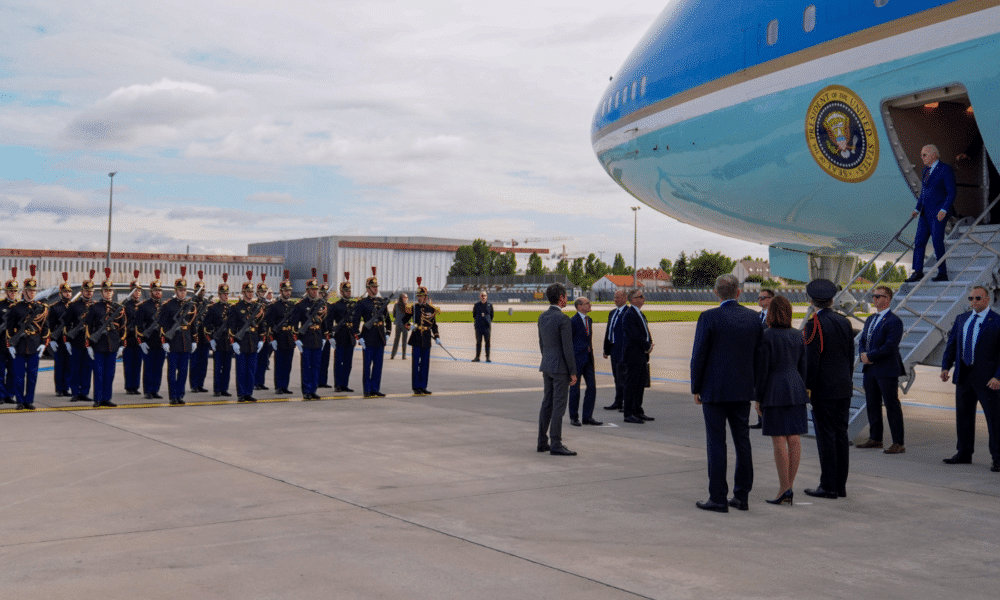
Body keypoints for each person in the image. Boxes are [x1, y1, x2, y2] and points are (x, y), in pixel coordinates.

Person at [691, 274, 762, 512]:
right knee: (742, 441)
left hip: (715, 389)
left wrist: (696, 387)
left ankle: (718, 497)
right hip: (743, 390)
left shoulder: (709, 317)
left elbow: (699, 355)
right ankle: (742, 495)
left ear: (716, 293)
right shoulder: (753, 318)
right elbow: (759, 356)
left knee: (716, 442)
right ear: (739, 292)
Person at [802, 278, 855, 500]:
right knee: (841, 435)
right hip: (843, 386)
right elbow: (850, 356)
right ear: (832, 300)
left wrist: (807, 387)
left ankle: (828, 486)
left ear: (811, 301)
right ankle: (840, 485)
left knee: (826, 437)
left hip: (824, 389)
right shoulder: (844, 322)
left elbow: (812, 361)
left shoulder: (813, 324)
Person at [753, 295, 808, 505]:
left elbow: (762, 370)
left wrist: (758, 397)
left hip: (774, 390)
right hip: (796, 388)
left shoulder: (766, 336)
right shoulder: (798, 335)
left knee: (778, 440)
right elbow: (803, 366)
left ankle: (784, 488)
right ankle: (789, 486)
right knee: (794, 438)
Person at [940, 285, 1000, 472]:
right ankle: (964, 453)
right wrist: (945, 366)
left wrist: (998, 376)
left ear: (987, 300)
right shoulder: (962, 319)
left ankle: (998, 458)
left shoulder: (997, 321)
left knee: (994, 419)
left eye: (978, 298)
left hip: (987, 379)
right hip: (964, 376)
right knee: (963, 417)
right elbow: (951, 345)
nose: (974, 301)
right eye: (971, 298)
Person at [857, 286, 907, 454]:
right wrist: (863, 354)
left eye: (879, 296)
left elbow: (890, 346)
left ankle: (898, 442)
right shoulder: (871, 319)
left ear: (888, 299)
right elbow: (863, 340)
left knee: (891, 405)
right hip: (870, 369)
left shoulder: (894, 321)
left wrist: (870, 356)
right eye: (874, 296)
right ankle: (875, 438)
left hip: (886, 368)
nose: (875, 299)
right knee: (872, 403)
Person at [536, 283, 578, 456]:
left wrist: (548, 360)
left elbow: (542, 343)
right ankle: (556, 443)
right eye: (566, 296)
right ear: (561, 298)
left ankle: (542, 441)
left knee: (547, 403)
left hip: (547, 365)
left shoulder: (542, 317)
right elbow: (568, 348)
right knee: (559, 406)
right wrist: (573, 371)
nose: (567, 299)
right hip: (560, 368)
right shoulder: (563, 319)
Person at [907, 144, 957, 283]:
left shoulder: (945, 169)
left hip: (938, 212)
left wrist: (944, 209)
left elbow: (952, 192)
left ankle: (942, 272)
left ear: (934, 155)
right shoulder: (926, 170)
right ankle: (917, 271)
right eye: (921, 155)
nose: (921, 157)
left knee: (937, 241)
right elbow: (924, 192)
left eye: (924, 155)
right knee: (919, 241)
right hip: (925, 212)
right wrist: (917, 208)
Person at [6, 265, 48, 410]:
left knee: (32, 375)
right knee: (18, 376)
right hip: (19, 345)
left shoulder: (42, 308)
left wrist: (43, 343)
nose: (32, 293)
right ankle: (19, 401)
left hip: (34, 345)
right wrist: (10, 345)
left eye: (34, 290)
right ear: (24, 291)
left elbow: (46, 327)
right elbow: (9, 328)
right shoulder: (16, 308)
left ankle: (29, 400)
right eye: (29, 290)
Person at [85, 269, 125, 408]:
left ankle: (107, 398)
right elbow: (88, 327)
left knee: (109, 375)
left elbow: (123, 327)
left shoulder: (118, 308)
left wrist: (121, 345)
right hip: (98, 345)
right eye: (105, 290)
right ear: (101, 292)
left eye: (110, 290)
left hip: (112, 345)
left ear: (113, 292)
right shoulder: (95, 308)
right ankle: (98, 398)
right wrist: (89, 345)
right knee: (99, 374)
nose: (108, 292)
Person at [158, 268, 197, 405]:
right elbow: (163, 325)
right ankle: (173, 396)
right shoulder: (168, 305)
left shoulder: (190, 305)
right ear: (175, 290)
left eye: (184, 290)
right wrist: (164, 341)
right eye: (180, 290)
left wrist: (194, 340)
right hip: (173, 342)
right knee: (172, 372)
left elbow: (194, 324)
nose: (183, 292)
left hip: (186, 341)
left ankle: (180, 395)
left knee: (183, 371)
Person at [352, 267, 391, 398]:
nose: (375, 289)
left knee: (378, 365)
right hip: (368, 337)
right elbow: (355, 321)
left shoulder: (381, 302)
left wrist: (388, 333)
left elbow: (388, 319)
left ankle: (375, 388)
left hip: (379, 336)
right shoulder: (362, 303)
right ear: (368, 289)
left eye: (376, 287)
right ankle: (367, 389)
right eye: (373, 287)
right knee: (367, 365)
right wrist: (359, 336)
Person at [228, 271, 264, 403]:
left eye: (251, 291)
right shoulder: (236, 307)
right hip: (241, 342)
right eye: (248, 291)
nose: (250, 294)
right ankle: (241, 394)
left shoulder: (256, 307)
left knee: (251, 370)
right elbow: (231, 326)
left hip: (253, 341)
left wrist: (261, 340)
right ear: (243, 293)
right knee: (241, 370)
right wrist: (233, 342)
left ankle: (249, 393)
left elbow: (261, 325)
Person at [292, 272, 328, 400]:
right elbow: (294, 324)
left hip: (317, 339)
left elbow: (324, 323)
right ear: (307, 290)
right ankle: (306, 391)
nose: (314, 291)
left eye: (316, 289)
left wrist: (324, 337)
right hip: (306, 340)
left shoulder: (321, 304)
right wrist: (297, 339)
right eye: (312, 289)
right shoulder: (300, 305)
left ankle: (313, 390)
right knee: (306, 367)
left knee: (316, 366)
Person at [63, 269, 96, 403]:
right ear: (82, 291)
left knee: (87, 369)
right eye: (86, 290)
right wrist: (67, 340)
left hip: (90, 342)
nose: (89, 293)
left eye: (91, 291)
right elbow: (66, 323)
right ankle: (75, 392)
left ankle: (84, 392)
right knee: (75, 368)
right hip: (77, 341)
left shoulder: (95, 306)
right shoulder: (74, 306)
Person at [568, 297, 602, 427]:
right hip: (577, 359)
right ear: (579, 306)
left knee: (592, 387)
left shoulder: (589, 320)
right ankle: (574, 417)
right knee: (575, 389)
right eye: (587, 303)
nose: (590, 305)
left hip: (588, 358)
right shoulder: (573, 321)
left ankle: (587, 416)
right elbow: (569, 342)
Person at [622, 288, 654, 424]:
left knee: (640, 384)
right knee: (631, 384)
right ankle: (628, 413)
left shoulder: (639, 313)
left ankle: (637, 411)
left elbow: (645, 331)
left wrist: (649, 343)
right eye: (640, 296)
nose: (643, 298)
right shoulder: (629, 315)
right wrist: (647, 346)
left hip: (641, 354)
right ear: (633, 300)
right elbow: (634, 335)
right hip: (633, 355)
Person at [404, 279, 439, 395]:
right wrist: (410, 326)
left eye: (422, 296)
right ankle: (416, 387)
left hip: (426, 339)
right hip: (416, 338)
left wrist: (437, 336)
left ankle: (423, 386)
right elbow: (404, 321)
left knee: (425, 364)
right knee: (415, 364)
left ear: (426, 297)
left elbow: (433, 325)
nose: (419, 298)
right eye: (418, 296)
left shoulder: (431, 309)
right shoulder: (414, 308)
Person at [135, 271, 165, 400]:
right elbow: (138, 325)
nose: (158, 292)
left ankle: (155, 390)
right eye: (155, 290)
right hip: (148, 341)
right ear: (150, 292)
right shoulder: (144, 306)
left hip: (161, 342)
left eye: (159, 290)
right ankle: (147, 390)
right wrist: (141, 341)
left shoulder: (164, 306)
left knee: (158, 367)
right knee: (148, 368)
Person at [266, 270, 297, 395]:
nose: (288, 293)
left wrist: (295, 338)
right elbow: (269, 324)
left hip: (289, 337)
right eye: (286, 291)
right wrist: (272, 339)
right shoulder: (274, 306)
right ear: (281, 291)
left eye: (289, 291)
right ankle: (278, 386)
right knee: (279, 364)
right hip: (279, 337)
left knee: (288, 364)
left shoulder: (292, 306)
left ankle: (285, 386)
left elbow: (295, 323)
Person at [750, 289, 775, 429]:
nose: (759, 300)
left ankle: (767, 419)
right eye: (759, 297)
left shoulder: (775, 316)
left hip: (768, 356)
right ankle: (761, 419)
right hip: (757, 356)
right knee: (758, 387)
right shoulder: (757, 316)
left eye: (763, 297)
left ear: (771, 299)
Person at [203, 274, 233, 397]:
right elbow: (206, 325)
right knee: (218, 366)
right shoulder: (213, 308)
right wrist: (211, 339)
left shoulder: (231, 308)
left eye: (227, 294)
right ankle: (217, 389)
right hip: (218, 340)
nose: (226, 296)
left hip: (228, 341)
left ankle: (224, 388)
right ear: (219, 295)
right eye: (223, 294)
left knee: (227, 367)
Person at [327, 273, 357, 393]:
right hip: (340, 336)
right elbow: (329, 322)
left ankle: (345, 384)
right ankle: (338, 384)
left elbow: (356, 321)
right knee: (339, 362)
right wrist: (331, 336)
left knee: (348, 363)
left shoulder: (353, 305)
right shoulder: (336, 306)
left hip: (350, 336)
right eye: (346, 291)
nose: (348, 293)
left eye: (349, 291)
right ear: (341, 292)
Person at [46, 272, 74, 398]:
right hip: (59, 340)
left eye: (69, 292)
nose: (67, 294)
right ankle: (59, 389)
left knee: (69, 365)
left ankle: (66, 388)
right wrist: (51, 339)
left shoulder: (73, 306)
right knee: (59, 365)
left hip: (70, 339)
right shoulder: (55, 307)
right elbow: (50, 325)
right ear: (60, 294)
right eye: (65, 292)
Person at [602, 289, 628, 411]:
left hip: (624, 350)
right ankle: (618, 401)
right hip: (613, 349)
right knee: (617, 376)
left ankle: (627, 403)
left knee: (624, 377)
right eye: (615, 297)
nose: (615, 300)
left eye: (618, 297)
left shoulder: (629, 313)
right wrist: (606, 349)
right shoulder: (612, 313)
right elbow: (609, 331)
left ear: (625, 298)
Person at [188, 272, 211, 394]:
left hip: (205, 337)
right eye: (199, 290)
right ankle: (194, 384)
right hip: (195, 336)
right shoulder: (191, 303)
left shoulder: (207, 303)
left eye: (203, 290)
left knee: (204, 363)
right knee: (194, 362)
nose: (202, 292)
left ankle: (200, 384)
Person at [121, 270, 144, 395]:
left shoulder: (142, 305)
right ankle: (129, 386)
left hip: (139, 338)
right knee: (129, 363)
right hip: (129, 338)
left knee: (138, 363)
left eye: (139, 290)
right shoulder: (126, 305)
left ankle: (135, 386)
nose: (137, 293)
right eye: (135, 290)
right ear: (131, 291)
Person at [0, 269, 20, 405]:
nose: (13, 293)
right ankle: (1, 395)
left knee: (13, 370)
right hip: (1, 343)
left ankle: (9, 395)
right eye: (11, 291)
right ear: (6, 292)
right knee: (0, 371)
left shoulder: (19, 306)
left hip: (14, 343)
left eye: (15, 291)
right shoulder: (0, 305)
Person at [253, 275, 272, 391]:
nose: (263, 294)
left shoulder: (269, 305)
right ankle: (255, 382)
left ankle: (261, 382)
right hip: (257, 336)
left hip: (267, 336)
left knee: (264, 360)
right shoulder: (254, 305)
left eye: (265, 292)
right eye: (261, 292)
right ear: (257, 293)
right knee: (256, 360)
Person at [317, 274, 334, 388]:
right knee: (317, 360)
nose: (325, 295)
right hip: (318, 336)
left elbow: (331, 322)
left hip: (327, 337)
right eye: (323, 293)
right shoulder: (317, 305)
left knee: (325, 360)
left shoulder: (330, 306)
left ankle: (323, 381)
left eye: (326, 293)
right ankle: (316, 380)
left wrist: (331, 335)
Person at [472, 291, 493, 362]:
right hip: (479, 327)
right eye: (482, 295)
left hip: (486, 327)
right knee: (478, 342)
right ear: (480, 297)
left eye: (484, 295)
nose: (483, 297)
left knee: (487, 342)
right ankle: (477, 357)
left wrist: (487, 321)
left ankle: (487, 357)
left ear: (487, 296)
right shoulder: (476, 305)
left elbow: (491, 315)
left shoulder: (490, 305)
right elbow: (474, 315)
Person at [390, 293, 408, 360]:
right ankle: (404, 356)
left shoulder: (396, 305)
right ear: (403, 298)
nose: (407, 299)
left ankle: (393, 355)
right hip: (404, 325)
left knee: (396, 340)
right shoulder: (407, 306)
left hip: (398, 324)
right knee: (404, 341)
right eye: (406, 297)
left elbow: (394, 314)